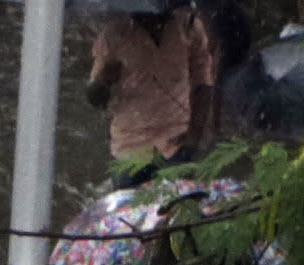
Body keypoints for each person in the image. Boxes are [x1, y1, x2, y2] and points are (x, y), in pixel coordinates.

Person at [84, 2, 226, 166]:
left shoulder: (189, 27)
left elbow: (203, 84)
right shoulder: (113, 36)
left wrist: (193, 138)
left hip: (176, 144)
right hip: (130, 148)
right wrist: (103, 82)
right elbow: (95, 99)